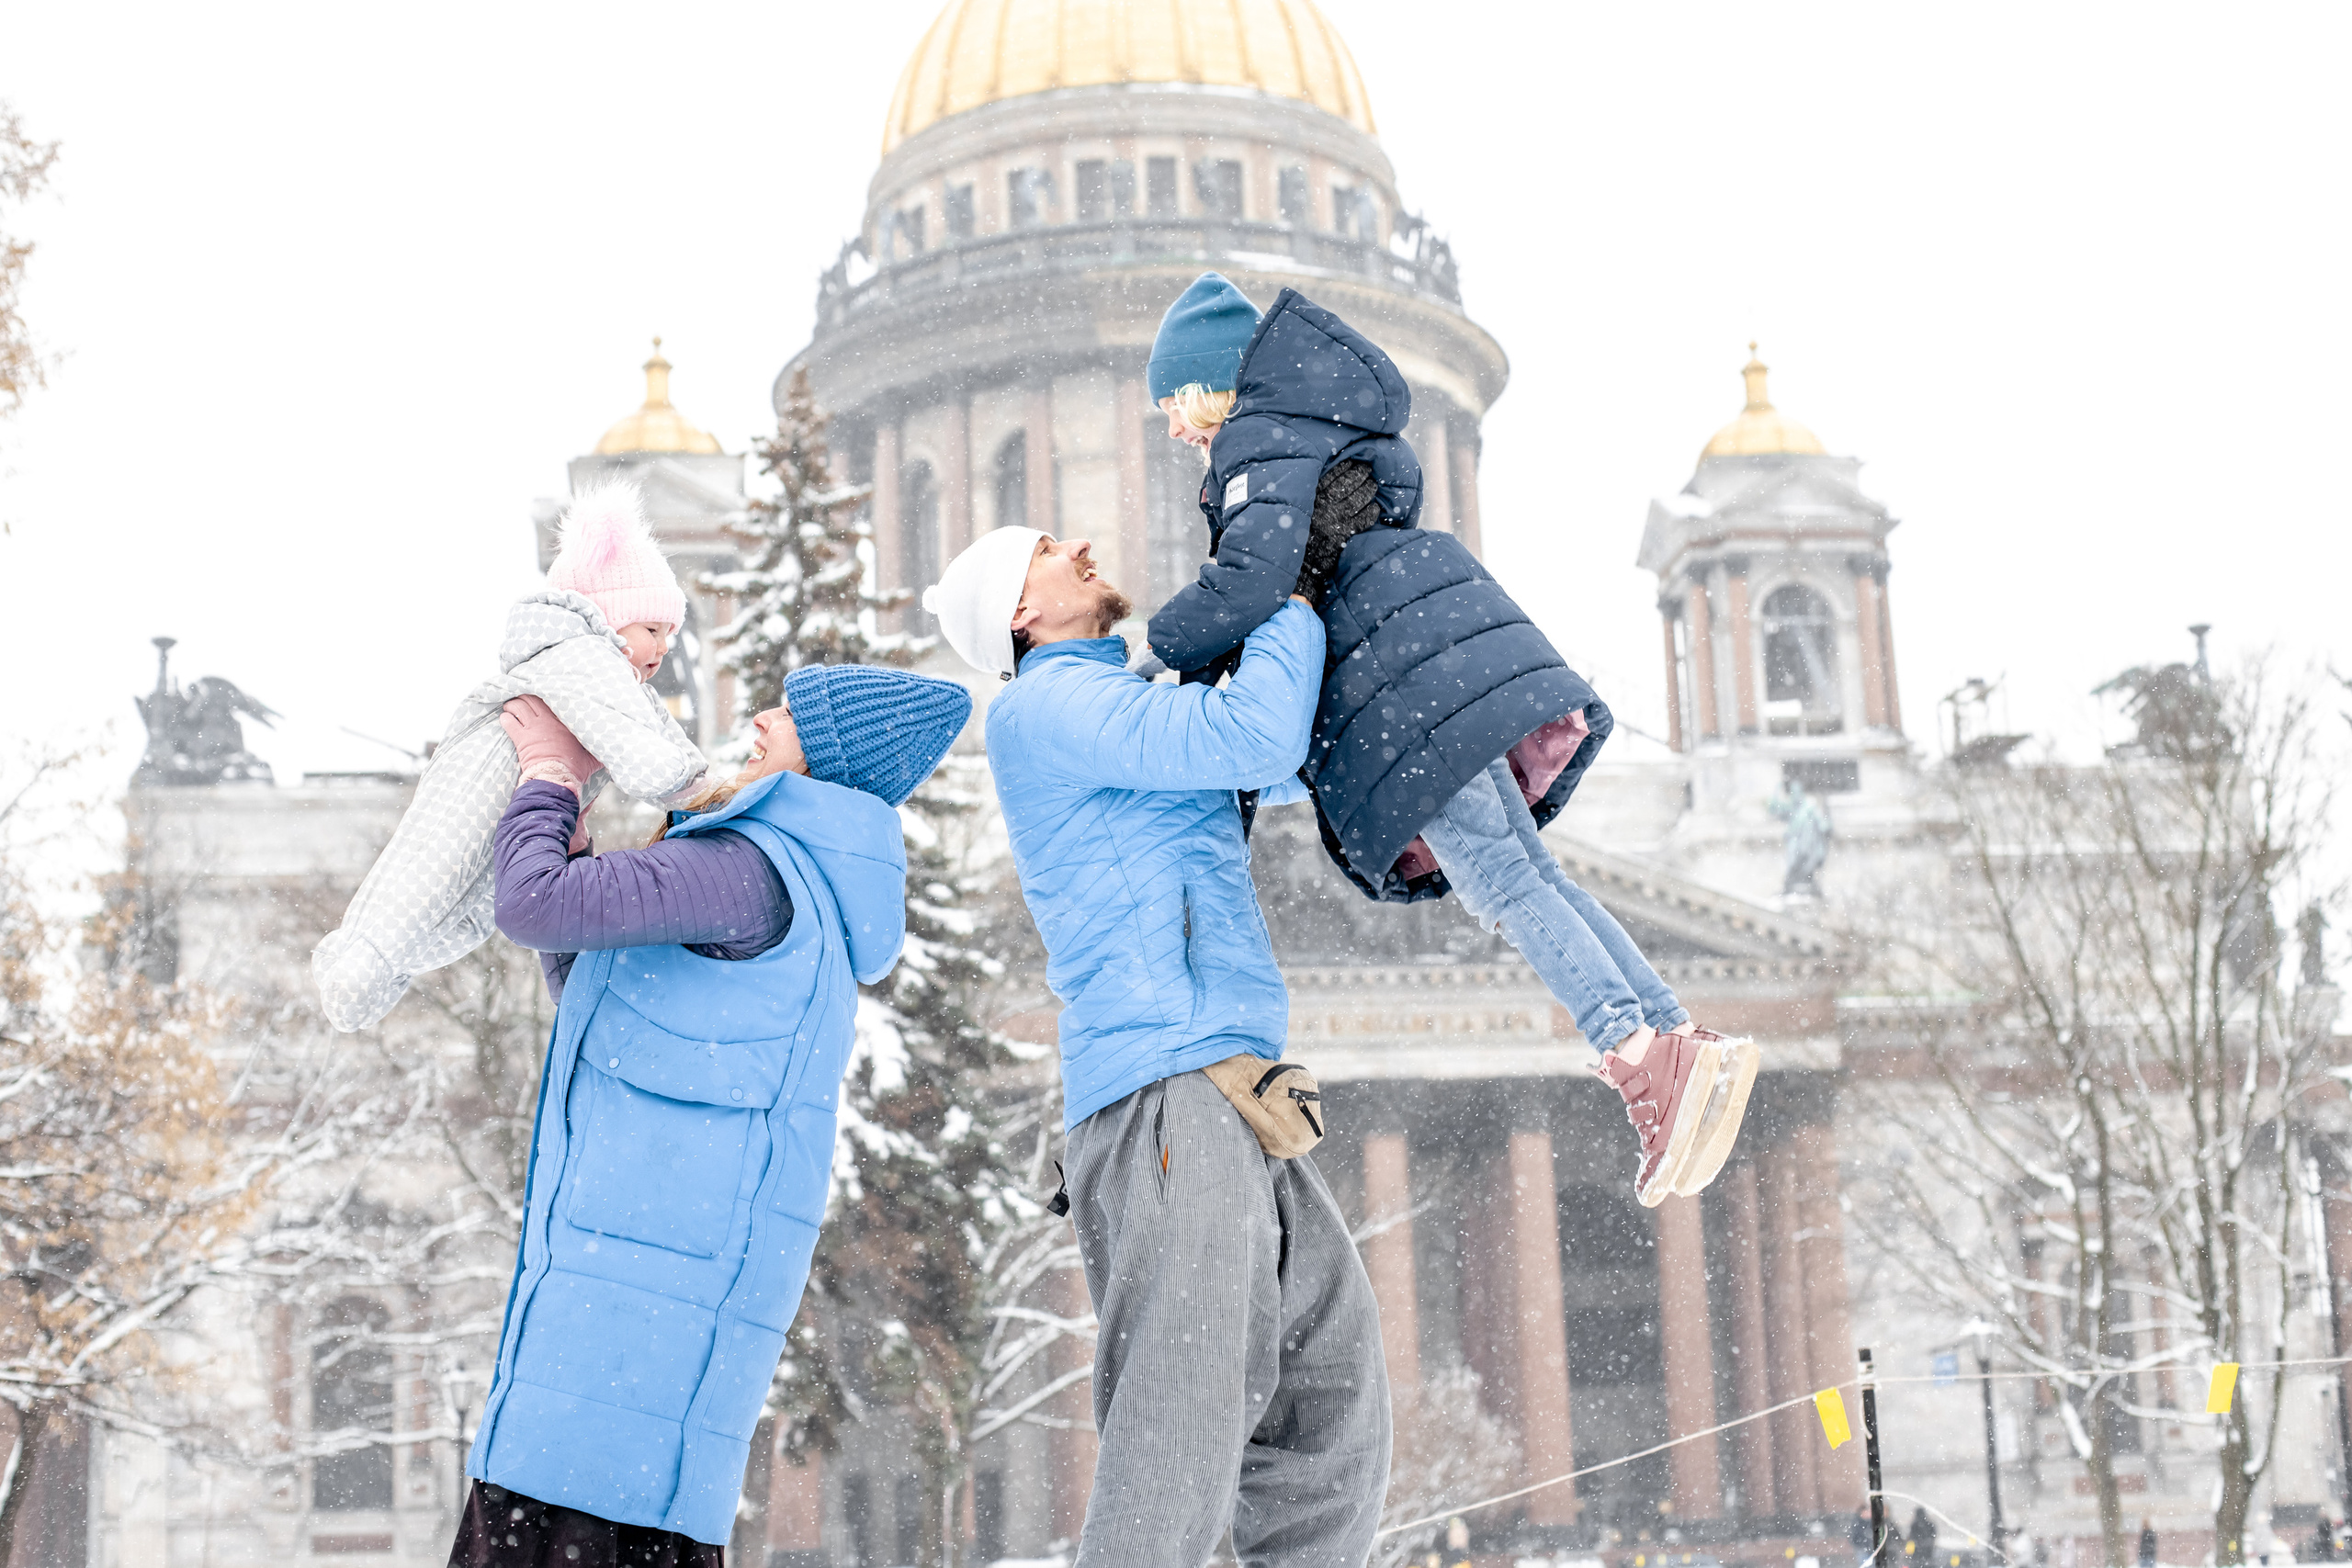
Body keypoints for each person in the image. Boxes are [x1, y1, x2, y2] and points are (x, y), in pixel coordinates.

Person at [1139, 269, 1758, 1206]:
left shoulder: (1257, 450)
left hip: (1401, 692)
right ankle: (1671, 1040)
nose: (1176, 431)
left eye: (1177, 405)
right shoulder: (1318, 436)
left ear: (1213, 387)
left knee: (1508, 887)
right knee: (1536, 877)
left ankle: (1636, 1052)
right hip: (1429, 668)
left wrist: (1158, 661)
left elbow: (1250, 585)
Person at [922, 525, 1389, 1565]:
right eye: (1048, 547)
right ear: (1018, 613)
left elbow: (1279, 763)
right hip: (1161, 1086)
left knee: (1328, 1403)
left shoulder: (1126, 705)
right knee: (1180, 1419)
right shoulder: (1048, 706)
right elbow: (1257, 739)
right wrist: (1287, 596)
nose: (1080, 542)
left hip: (1231, 1085)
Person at [446, 659, 971, 1567]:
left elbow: (533, 905)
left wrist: (549, 778)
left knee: (547, 1533)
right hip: (640, 1328)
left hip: (620, 1341)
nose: (763, 717)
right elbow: (595, 984)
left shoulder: (746, 867)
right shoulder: (791, 888)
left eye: (795, 713)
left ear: (830, 758)